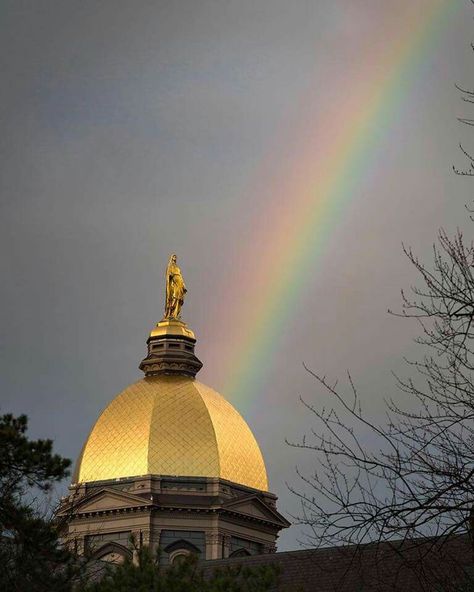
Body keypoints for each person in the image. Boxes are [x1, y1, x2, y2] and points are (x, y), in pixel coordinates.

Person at [164, 254, 187, 319]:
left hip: (179, 282)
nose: (175, 258)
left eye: (176, 257)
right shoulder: (170, 266)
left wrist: (183, 285)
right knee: (174, 297)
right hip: (174, 283)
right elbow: (168, 276)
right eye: (174, 256)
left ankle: (175, 314)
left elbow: (180, 276)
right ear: (171, 258)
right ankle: (171, 312)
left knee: (179, 298)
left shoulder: (177, 267)